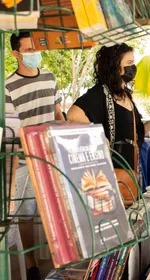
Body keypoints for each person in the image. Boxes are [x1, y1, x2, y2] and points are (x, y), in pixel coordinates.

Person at [5, 32, 65, 280]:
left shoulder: (50, 78)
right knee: (25, 212)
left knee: (57, 209)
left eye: (36, 48)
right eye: (28, 50)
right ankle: (31, 263)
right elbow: (11, 130)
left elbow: (58, 114)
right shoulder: (8, 86)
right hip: (24, 158)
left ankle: (61, 259)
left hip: (51, 155)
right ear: (15, 54)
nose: (34, 53)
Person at [67, 43, 150, 187]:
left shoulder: (126, 95)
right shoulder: (100, 93)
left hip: (132, 169)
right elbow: (73, 115)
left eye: (133, 63)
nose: (133, 68)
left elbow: (138, 133)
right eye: (129, 63)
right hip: (112, 170)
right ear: (115, 66)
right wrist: (98, 135)